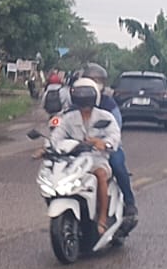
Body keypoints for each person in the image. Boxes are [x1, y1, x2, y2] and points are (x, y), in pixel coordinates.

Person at [49, 78, 121, 233]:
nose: (83, 98)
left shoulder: (105, 116)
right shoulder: (69, 118)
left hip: (97, 158)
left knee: (100, 175)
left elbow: (114, 135)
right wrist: (47, 148)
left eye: (86, 94)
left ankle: (102, 219)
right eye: (80, 94)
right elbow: (57, 136)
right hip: (74, 160)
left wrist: (103, 143)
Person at [80, 63, 138, 219]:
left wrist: (104, 142)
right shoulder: (76, 103)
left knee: (118, 165)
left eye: (98, 80)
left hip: (106, 148)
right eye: (91, 79)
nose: (95, 83)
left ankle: (130, 202)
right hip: (80, 148)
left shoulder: (108, 104)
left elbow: (116, 128)